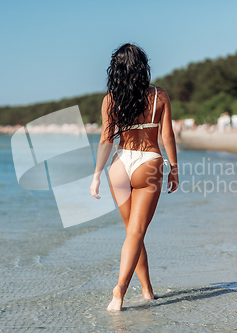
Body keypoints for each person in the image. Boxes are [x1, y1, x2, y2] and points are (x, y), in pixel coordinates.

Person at [90, 44, 179, 311]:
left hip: (119, 166)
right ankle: (119, 290)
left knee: (133, 233)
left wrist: (96, 175)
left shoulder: (110, 99)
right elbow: (167, 136)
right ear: (142, 66)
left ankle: (147, 290)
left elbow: (106, 140)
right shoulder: (159, 95)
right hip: (148, 162)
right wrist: (174, 168)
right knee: (137, 233)